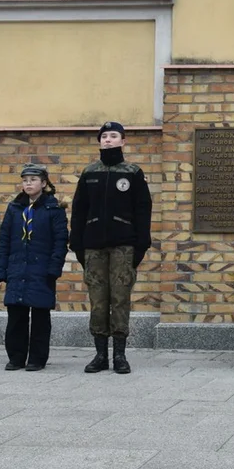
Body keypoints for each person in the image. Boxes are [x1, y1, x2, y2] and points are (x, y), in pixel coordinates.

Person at [70, 122, 152, 374]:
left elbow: (143, 211)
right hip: (93, 247)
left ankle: (119, 355)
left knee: (119, 299)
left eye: (113, 136)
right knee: (98, 300)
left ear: (123, 141)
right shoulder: (89, 173)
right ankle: (99, 355)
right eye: (104, 136)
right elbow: (79, 211)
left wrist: (139, 246)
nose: (107, 140)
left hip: (123, 247)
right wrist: (78, 245)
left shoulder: (132, 172)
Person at [0, 164, 68, 372]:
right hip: (17, 269)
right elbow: (4, 240)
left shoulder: (54, 209)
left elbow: (60, 241)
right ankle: (16, 357)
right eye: (25, 179)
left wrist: (54, 268)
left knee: (40, 316)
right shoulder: (15, 208)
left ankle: (37, 358)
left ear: (44, 183)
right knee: (16, 315)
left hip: (41, 270)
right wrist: (1, 269)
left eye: (33, 180)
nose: (28, 183)